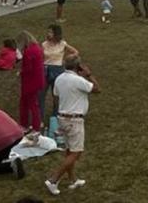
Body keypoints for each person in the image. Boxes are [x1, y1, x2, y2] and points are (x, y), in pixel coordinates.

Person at [45, 56, 101, 195]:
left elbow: (56, 97)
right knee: (76, 152)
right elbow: (97, 89)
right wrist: (89, 75)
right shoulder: (79, 80)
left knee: (69, 150)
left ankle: (72, 179)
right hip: (75, 120)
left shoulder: (59, 79)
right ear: (78, 67)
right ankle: (53, 179)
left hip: (62, 117)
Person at [40, 24, 79, 122]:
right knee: (41, 94)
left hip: (57, 70)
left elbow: (75, 52)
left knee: (56, 94)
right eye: (48, 32)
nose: (48, 34)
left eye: (50, 32)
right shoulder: (44, 44)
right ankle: (39, 116)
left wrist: (67, 59)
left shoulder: (62, 44)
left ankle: (56, 114)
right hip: (45, 69)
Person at [16, 31, 45, 134]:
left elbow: (28, 68)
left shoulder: (29, 51)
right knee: (31, 103)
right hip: (37, 80)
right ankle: (32, 124)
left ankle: (31, 126)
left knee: (30, 104)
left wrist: (20, 72)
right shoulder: (37, 48)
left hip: (30, 81)